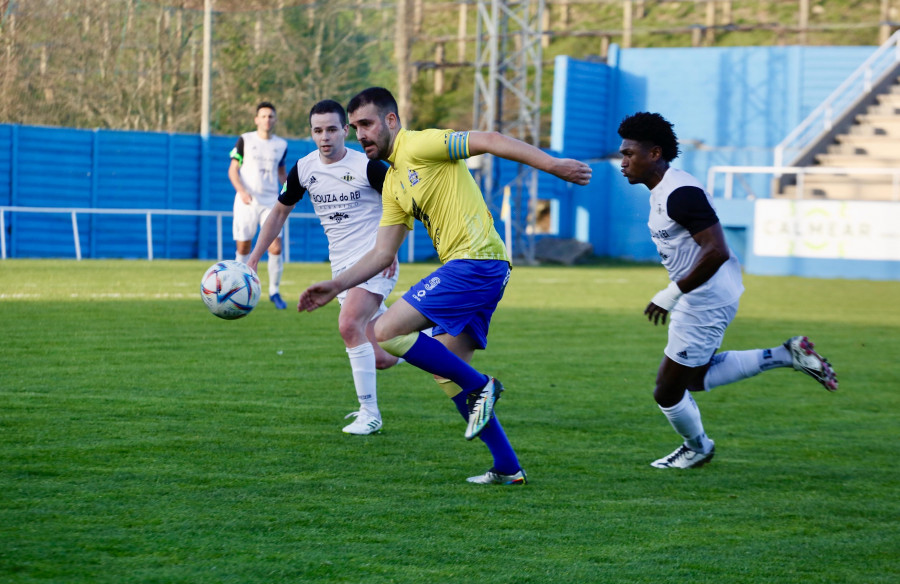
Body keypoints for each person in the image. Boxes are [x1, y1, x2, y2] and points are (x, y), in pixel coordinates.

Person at [299, 87, 592, 485]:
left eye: (366, 123)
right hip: (481, 270)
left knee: (386, 331)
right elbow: (382, 253)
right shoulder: (395, 183)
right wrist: (336, 285)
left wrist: (552, 165)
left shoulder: (420, 144)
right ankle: (507, 467)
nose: (360, 133)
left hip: (476, 262)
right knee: (448, 374)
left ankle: (483, 386)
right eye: (355, 127)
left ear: (390, 120)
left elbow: (489, 140)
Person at [617, 112, 838, 470]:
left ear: (654, 153)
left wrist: (672, 293)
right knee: (694, 377)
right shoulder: (666, 190)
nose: (623, 162)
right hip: (706, 294)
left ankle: (698, 447)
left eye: (629, 154)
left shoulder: (679, 193)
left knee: (668, 390)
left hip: (704, 299)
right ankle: (785, 355)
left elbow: (716, 250)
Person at [246, 99, 402, 435]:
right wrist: (254, 258)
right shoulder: (303, 169)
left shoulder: (369, 168)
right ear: (311, 133)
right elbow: (277, 213)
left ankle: (369, 413)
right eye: (318, 130)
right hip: (342, 270)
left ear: (345, 130)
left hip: (374, 261)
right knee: (382, 357)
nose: (325, 137)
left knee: (348, 325)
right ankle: (432, 335)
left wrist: (390, 252)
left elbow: (404, 205)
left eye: (332, 129)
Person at [229, 101, 289, 310]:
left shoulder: (281, 145)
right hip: (247, 201)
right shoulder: (245, 140)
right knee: (244, 246)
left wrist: (292, 189)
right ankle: (239, 288)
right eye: (263, 116)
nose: (267, 120)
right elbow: (233, 170)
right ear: (256, 119)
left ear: (275, 119)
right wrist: (242, 191)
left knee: (276, 246)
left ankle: (274, 291)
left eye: (271, 116)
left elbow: (281, 173)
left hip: (271, 202)